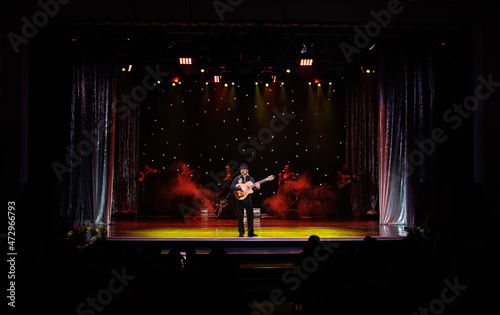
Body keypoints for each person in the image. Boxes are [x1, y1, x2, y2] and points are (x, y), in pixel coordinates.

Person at [230, 163, 260, 237]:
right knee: (240, 215)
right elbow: (232, 187)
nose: (243, 171)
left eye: (244, 170)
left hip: (248, 199)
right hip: (239, 198)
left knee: (250, 215)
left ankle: (250, 232)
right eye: (241, 170)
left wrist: (258, 188)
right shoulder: (237, 178)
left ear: (247, 171)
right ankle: (241, 232)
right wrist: (241, 188)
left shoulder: (250, 178)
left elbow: (254, 189)